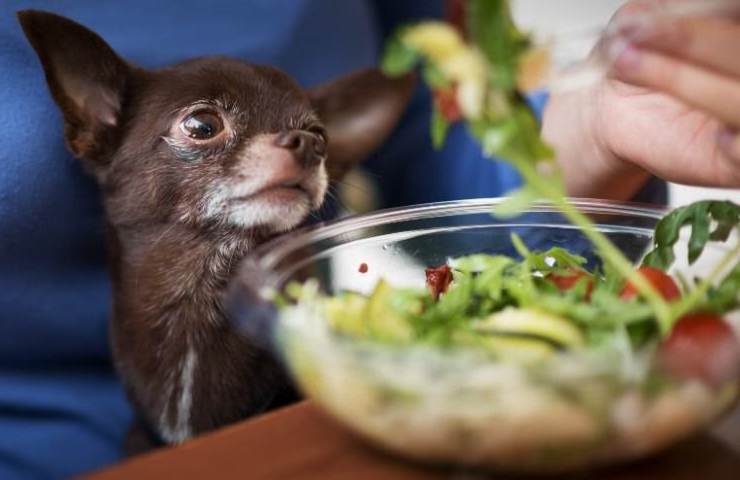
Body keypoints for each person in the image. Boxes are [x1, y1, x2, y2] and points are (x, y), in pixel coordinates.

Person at [0, 0, 738, 478]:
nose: (297, 145)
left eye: (311, 139)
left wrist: (588, 126)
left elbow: (424, 147)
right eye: (204, 127)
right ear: (93, 119)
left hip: (333, 422)